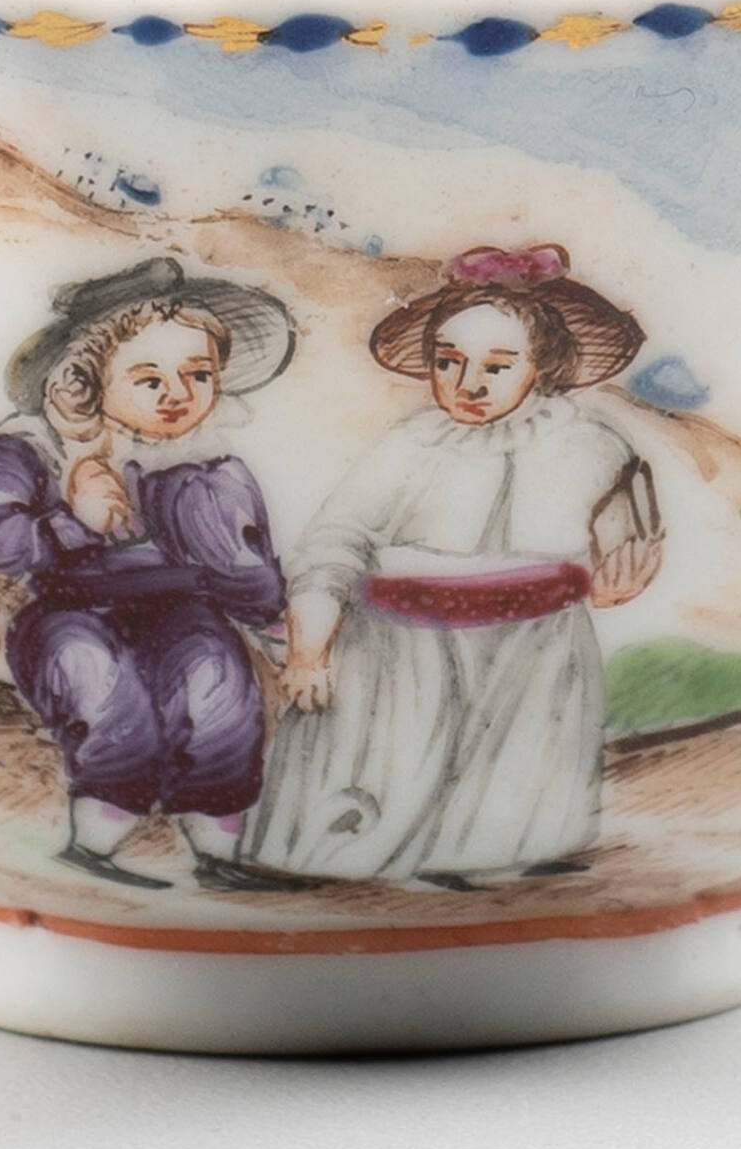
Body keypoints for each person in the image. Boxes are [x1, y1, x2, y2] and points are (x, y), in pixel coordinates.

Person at [244, 244, 662, 887]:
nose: (468, 384)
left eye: (497, 366)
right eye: (448, 361)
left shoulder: (594, 447)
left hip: (535, 659)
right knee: (372, 810)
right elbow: (334, 543)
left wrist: (618, 585)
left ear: (543, 364)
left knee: (508, 819)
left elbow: (625, 547)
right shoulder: (411, 446)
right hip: (402, 656)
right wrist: (309, 649)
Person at [0, 257, 310, 892]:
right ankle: (93, 845)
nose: (178, 395)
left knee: (219, 696)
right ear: (86, 379)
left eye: (198, 374)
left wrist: (280, 629)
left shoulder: (205, 464)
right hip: (71, 609)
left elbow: (248, 567)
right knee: (104, 695)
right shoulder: (36, 449)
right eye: (150, 379)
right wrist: (72, 519)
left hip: (183, 612)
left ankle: (216, 853)